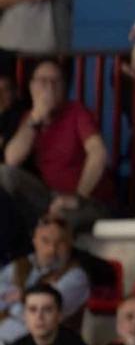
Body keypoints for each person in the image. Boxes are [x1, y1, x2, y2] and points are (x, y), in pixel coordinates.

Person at [0, 57, 108, 234]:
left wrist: (78, 197)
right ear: (32, 87)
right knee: (3, 174)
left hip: (87, 199)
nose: (49, 87)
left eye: (55, 81)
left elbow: (98, 153)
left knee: (57, 222)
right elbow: (11, 160)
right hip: (50, 197)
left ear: (64, 88)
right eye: (43, 81)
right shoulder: (28, 118)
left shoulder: (76, 111)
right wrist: (37, 116)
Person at [0, 209, 88, 345]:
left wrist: (17, 299)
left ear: (70, 244)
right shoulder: (21, 264)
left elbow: (43, 313)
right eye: (45, 241)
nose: (52, 249)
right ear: (35, 241)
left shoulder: (76, 276)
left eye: (60, 243)